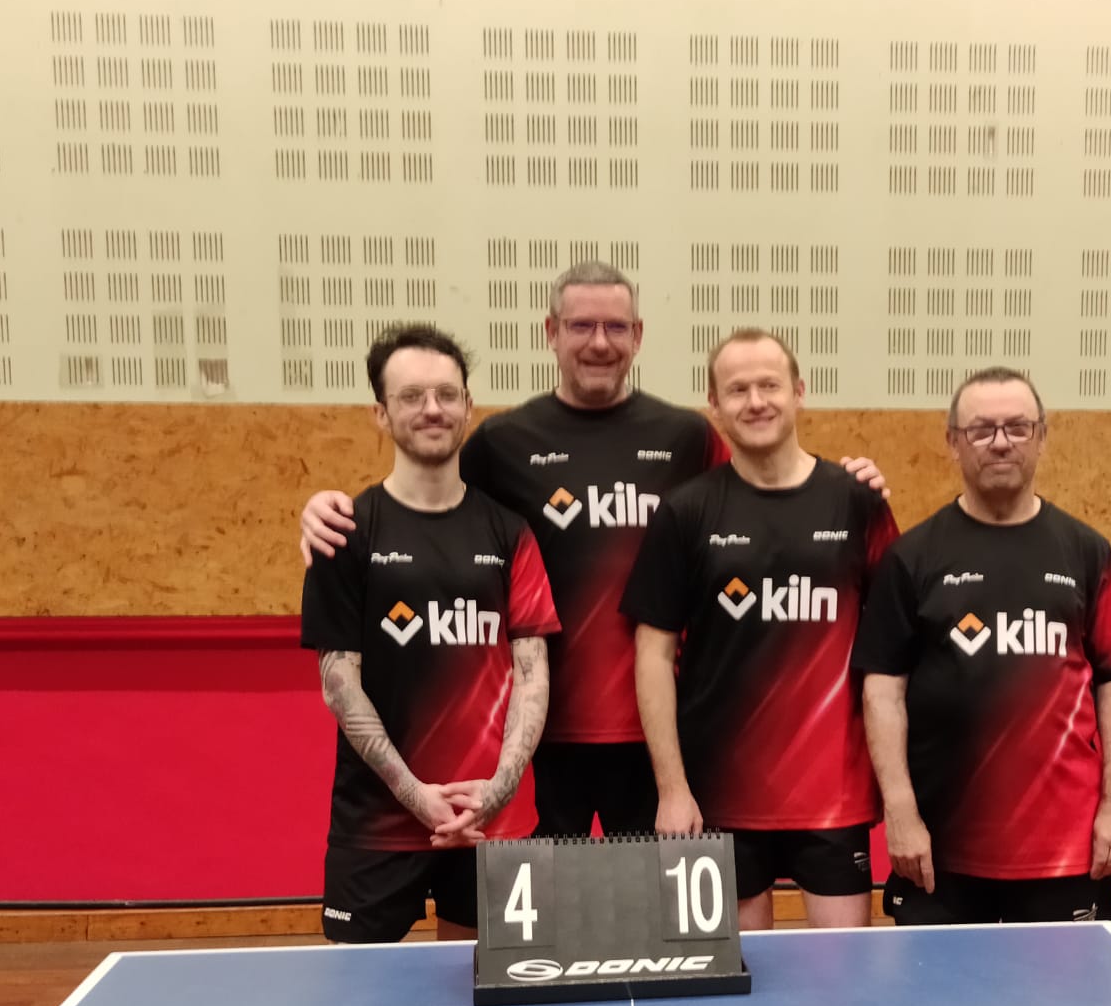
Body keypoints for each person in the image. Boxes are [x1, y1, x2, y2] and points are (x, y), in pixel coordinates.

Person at [298, 262, 885, 837]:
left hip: (663, 739)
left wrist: (844, 485)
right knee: (550, 905)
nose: (599, 343)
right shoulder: (503, 442)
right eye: (581, 326)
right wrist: (327, 511)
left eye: (615, 327)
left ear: (638, 335)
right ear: (551, 333)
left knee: (653, 905)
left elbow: (762, 499)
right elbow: (428, 503)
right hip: (541, 741)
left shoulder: (685, 437)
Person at [852, 366, 1111, 926]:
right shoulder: (912, 558)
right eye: (980, 429)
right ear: (953, 442)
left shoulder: (1085, 551)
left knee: (1064, 989)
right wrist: (900, 811)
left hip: (1063, 850)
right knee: (940, 987)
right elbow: (883, 692)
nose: (999, 442)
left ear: (1042, 436)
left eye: (1017, 427)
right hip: (942, 851)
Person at [619, 329, 899, 930]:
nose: (755, 401)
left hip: (834, 796)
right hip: (721, 796)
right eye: (737, 390)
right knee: (740, 978)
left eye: (769, 385)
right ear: (714, 405)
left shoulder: (857, 502)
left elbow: (893, 654)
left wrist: (901, 792)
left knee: (842, 973)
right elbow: (652, 656)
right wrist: (672, 788)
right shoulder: (686, 511)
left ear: (799, 391)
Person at [299, 324, 558, 943]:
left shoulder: (510, 533)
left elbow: (532, 674)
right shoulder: (345, 532)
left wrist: (495, 792)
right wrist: (418, 797)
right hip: (376, 828)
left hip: (492, 822)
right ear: (381, 414)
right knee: (360, 996)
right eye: (411, 396)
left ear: (468, 405)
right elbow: (340, 685)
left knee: (489, 995)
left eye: (446, 394)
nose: (432, 409)